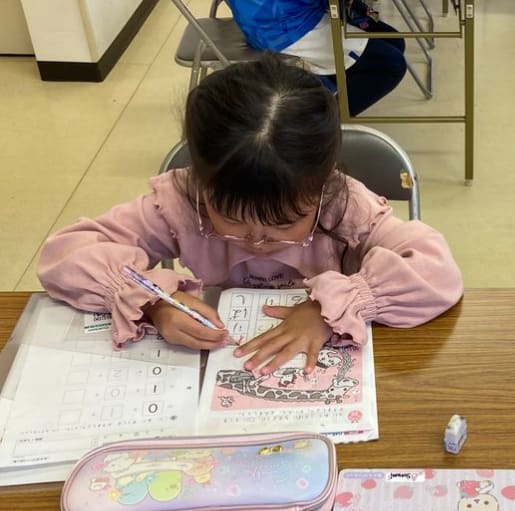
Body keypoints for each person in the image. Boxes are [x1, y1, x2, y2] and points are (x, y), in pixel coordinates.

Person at [38, 54, 463, 375]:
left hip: (319, 361)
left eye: (282, 224)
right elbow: (65, 255)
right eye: (232, 219)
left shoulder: (344, 204)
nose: (256, 239)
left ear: (321, 186)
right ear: (203, 185)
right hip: (223, 354)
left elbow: (437, 272)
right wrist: (154, 305)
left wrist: (331, 310)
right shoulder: (182, 203)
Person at [226, 0, 408, 116]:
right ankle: (320, 127)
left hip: (299, 10)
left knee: (393, 39)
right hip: (279, 24)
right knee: (390, 65)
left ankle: (325, 89)